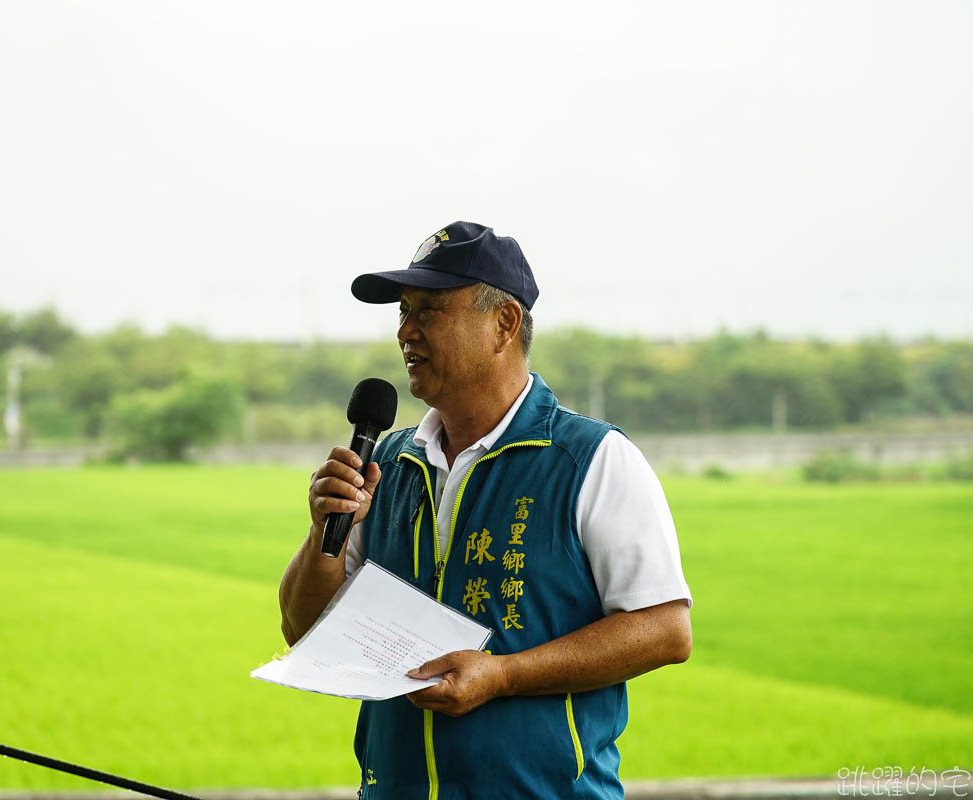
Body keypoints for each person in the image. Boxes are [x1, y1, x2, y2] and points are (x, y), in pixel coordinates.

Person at [278, 221, 692, 799]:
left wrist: (503, 676)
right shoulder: (387, 463)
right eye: (402, 311)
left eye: (429, 310)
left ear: (503, 324)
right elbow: (302, 630)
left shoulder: (592, 460)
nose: (405, 331)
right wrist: (323, 530)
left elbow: (666, 630)